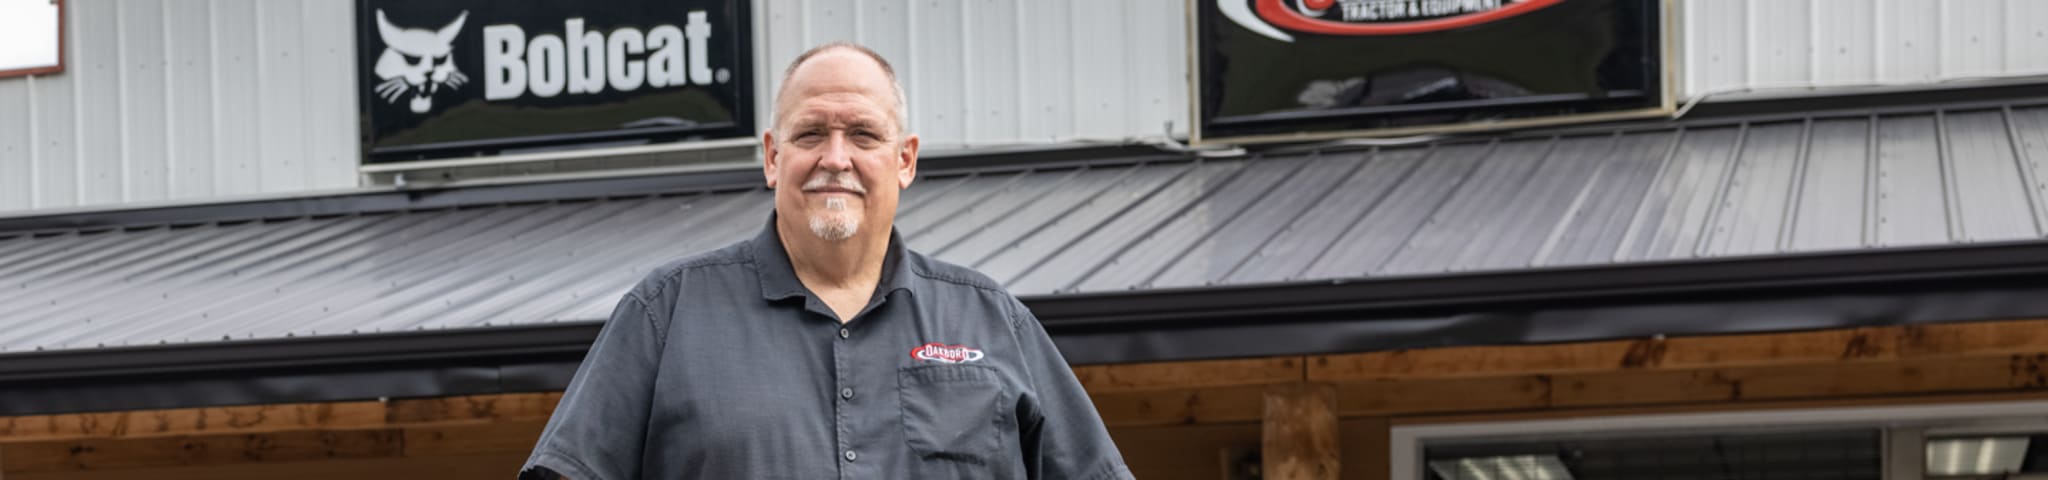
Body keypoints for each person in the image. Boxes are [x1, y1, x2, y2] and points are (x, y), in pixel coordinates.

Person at [519, 41, 1132, 479]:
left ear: (905, 160)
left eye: (864, 135)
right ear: (771, 156)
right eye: (810, 133)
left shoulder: (993, 323)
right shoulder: (666, 314)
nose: (835, 157)